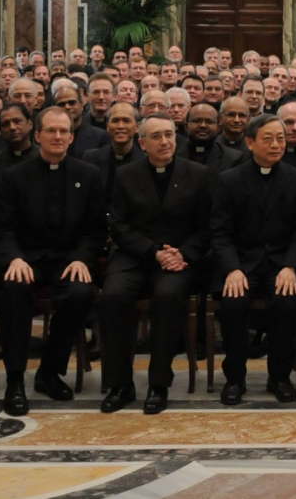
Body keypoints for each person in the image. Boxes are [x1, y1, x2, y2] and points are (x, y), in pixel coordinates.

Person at [0, 107, 105, 416]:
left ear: (72, 137)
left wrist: (84, 258)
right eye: (51, 131)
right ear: (38, 134)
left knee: (81, 294)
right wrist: (13, 258)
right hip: (26, 259)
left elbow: (95, 229)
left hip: (68, 259)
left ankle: (49, 372)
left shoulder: (88, 174)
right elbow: (3, 228)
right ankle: (15, 379)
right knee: (13, 292)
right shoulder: (14, 177)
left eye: (64, 131)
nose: (58, 136)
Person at [98, 113, 212, 414]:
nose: (165, 141)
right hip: (136, 256)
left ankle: (158, 384)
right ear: (142, 143)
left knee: (167, 296)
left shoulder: (198, 174)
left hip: (179, 259)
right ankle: (120, 384)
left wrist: (183, 253)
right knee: (112, 296)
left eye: (170, 135)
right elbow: (118, 226)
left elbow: (207, 227)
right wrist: (153, 252)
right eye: (157, 136)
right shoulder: (126, 175)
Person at [209, 114, 296, 405]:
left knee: (287, 302)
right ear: (250, 142)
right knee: (234, 303)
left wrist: (291, 266)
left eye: (280, 138)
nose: (276, 144)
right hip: (242, 263)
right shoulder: (229, 180)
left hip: (281, 263)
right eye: (267, 139)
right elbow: (220, 232)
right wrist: (232, 269)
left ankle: (280, 376)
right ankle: (235, 378)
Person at [82, 102, 141, 203]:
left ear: (137, 127)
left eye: (126, 120)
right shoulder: (90, 158)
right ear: (107, 127)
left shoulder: (145, 161)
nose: (120, 126)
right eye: (115, 120)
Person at [179, 103, 243, 175]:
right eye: (197, 121)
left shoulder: (233, 158)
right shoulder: (173, 154)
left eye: (209, 122)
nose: (203, 125)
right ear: (186, 126)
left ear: (218, 128)